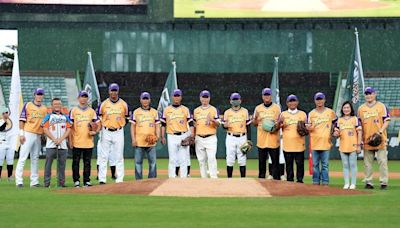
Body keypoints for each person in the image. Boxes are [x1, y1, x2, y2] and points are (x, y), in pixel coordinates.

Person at [358, 87, 390, 190]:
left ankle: (384, 182)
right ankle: (368, 181)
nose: (368, 96)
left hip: (380, 139)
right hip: (367, 140)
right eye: (366, 94)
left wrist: (380, 131)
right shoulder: (361, 108)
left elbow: (387, 121)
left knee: (382, 161)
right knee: (367, 163)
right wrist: (360, 140)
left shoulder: (381, 106)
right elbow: (359, 126)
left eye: (370, 93)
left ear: (374, 94)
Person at [15, 88, 48, 188]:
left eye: (41, 94)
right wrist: (21, 134)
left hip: (38, 135)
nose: (39, 96)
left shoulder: (44, 108)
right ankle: (19, 181)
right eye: (38, 94)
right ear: (34, 95)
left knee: (35, 158)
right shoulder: (28, 105)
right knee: (23, 157)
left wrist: (43, 135)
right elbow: (21, 120)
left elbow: (44, 124)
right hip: (28, 133)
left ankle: (34, 182)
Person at [97, 83, 129, 184]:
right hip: (106, 131)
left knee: (119, 156)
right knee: (103, 156)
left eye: (115, 90)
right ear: (109, 91)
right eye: (112, 90)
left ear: (118, 91)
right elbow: (98, 117)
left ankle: (119, 179)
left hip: (118, 131)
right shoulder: (104, 104)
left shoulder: (123, 104)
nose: (113, 92)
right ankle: (102, 179)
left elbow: (127, 118)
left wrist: (119, 125)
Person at [69, 91, 100, 187]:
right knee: (76, 162)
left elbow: (98, 123)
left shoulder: (91, 111)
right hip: (77, 141)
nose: (83, 99)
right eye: (82, 97)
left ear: (87, 99)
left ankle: (86, 180)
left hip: (88, 141)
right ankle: (76, 181)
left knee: (87, 163)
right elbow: (69, 126)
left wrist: (95, 131)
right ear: (78, 98)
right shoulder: (73, 110)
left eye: (85, 97)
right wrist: (70, 140)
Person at [160, 89, 194, 178]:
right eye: (175, 96)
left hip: (183, 136)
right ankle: (172, 177)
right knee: (172, 159)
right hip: (171, 136)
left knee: (183, 159)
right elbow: (163, 124)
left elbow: (190, 123)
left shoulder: (185, 109)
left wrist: (192, 135)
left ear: (181, 97)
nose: (176, 98)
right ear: (172, 97)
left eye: (178, 96)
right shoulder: (167, 110)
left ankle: (183, 178)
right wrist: (162, 136)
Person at [307, 92, 337, 185]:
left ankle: (325, 182)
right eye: (317, 99)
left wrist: (335, 130)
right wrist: (308, 127)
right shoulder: (311, 113)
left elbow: (336, 122)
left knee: (325, 165)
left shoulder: (330, 112)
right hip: (315, 142)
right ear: (315, 101)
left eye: (321, 99)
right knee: (315, 165)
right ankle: (315, 182)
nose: (319, 101)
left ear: (324, 100)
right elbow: (308, 125)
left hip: (326, 142)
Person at [42, 98, 71, 188]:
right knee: (48, 164)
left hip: (62, 145)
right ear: (52, 106)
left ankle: (61, 183)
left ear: (61, 105)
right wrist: (54, 139)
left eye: (59, 104)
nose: (57, 105)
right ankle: (47, 183)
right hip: (51, 144)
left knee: (62, 165)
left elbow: (69, 128)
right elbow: (45, 129)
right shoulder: (48, 116)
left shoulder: (65, 117)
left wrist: (61, 139)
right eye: (55, 104)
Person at [130, 92, 160, 180]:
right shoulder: (136, 112)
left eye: (147, 99)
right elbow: (132, 126)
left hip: (151, 143)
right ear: (140, 100)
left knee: (153, 163)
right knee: (138, 163)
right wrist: (133, 139)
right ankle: (139, 181)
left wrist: (157, 136)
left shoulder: (154, 112)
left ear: (150, 100)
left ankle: (152, 180)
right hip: (139, 142)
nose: (145, 101)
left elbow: (157, 125)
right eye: (144, 99)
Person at [253, 88, 281, 179]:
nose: (267, 97)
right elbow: (255, 123)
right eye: (265, 95)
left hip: (273, 139)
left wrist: (275, 127)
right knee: (262, 163)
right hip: (262, 139)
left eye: (268, 95)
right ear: (262, 96)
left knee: (275, 163)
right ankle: (261, 182)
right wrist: (256, 120)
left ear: (271, 96)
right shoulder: (258, 108)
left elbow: (279, 123)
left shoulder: (276, 108)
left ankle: (276, 181)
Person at [333, 101, 362, 190]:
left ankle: (353, 183)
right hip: (343, 145)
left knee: (353, 164)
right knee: (345, 165)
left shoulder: (355, 119)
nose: (346, 109)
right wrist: (336, 133)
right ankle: (346, 183)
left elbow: (359, 132)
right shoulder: (339, 120)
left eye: (348, 107)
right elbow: (336, 132)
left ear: (351, 109)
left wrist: (358, 145)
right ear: (342, 109)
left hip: (353, 145)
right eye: (344, 108)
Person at [223, 92, 252, 178]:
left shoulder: (245, 111)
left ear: (240, 100)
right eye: (234, 99)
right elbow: (224, 125)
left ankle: (243, 179)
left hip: (242, 137)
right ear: (230, 101)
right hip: (230, 136)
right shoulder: (227, 112)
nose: (235, 101)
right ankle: (229, 179)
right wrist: (224, 126)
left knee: (242, 158)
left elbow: (248, 126)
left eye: (237, 99)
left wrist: (248, 140)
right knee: (230, 158)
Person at [280, 94, 307, 183]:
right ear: (287, 103)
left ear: (297, 102)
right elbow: (276, 127)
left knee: (300, 164)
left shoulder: (303, 114)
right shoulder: (283, 114)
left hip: (299, 144)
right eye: (290, 101)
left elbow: (307, 128)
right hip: (287, 145)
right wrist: (280, 125)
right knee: (289, 165)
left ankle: (300, 181)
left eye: (294, 101)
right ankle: (290, 181)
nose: (292, 103)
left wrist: (305, 129)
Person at [193, 90, 220, 178]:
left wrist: (212, 120)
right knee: (201, 160)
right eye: (203, 97)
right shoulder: (196, 111)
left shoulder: (213, 109)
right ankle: (203, 178)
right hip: (199, 137)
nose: (205, 99)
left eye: (206, 97)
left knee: (211, 158)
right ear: (200, 98)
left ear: (209, 98)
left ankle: (213, 177)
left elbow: (218, 124)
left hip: (210, 137)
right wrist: (193, 136)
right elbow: (194, 125)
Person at [0, 106, 13, 181]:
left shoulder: (11, 122)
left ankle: (10, 176)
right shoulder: (1, 121)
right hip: (1, 142)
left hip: (10, 142)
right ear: (3, 113)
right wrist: (6, 122)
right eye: (6, 112)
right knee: (0, 160)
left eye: (8, 112)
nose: (7, 114)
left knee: (10, 160)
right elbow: (0, 129)